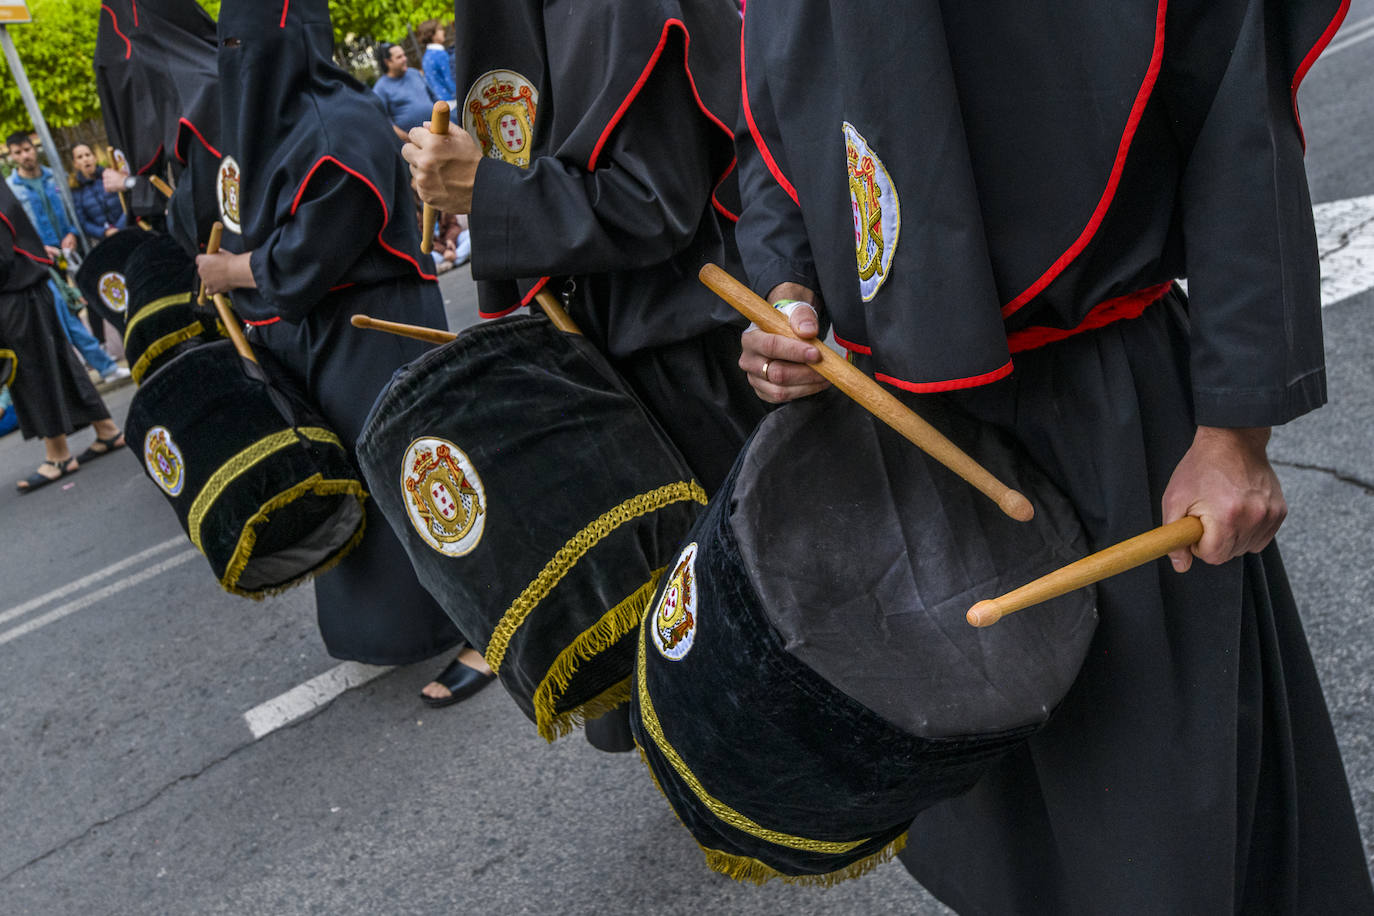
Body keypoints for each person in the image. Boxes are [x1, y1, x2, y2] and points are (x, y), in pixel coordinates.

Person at [734, 1, 1374, 911]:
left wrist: (1235, 431)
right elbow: (783, 127)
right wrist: (784, 290)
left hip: (1109, 407)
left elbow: (1237, 103)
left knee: (1167, 832)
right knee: (1005, 841)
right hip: (905, 434)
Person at [403, 0, 768, 748]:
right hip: (596, 360)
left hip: (686, 358)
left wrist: (490, 194)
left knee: (745, 645)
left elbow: (654, 202)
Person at [195, 0, 492, 707]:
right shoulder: (267, 131)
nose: (237, 60)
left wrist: (235, 274)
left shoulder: (339, 123)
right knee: (360, 477)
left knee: (416, 473)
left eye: (249, 44)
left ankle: (491, 624)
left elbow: (312, 246)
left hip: (372, 325)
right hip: (315, 333)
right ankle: (409, 624)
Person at [1, 182, 125, 492]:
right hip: (26, 286)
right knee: (59, 360)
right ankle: (107, 429)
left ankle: (58, 454)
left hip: (16, 291)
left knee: (31, 370)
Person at [5, 132, 128, 384]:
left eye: (26, 149)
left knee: (88, 299)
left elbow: (72, 212)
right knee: (66, 314)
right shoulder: (12, 188)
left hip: (69, 252)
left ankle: (98, 363)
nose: (24, 156)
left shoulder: (54, 178)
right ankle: (102, 367)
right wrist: (39, 249)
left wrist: (71, 233)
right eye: (17, 153)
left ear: (34, 149)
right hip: (40, 261)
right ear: (11, 157)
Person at [372, 43, 437, 142]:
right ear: (387, 62)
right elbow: (384, 121)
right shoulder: (380, 88)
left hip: (438, 131)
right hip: (415, 144)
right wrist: (409, 139)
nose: (405, 59)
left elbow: (434, 97)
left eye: (404, 55)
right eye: (399, 57)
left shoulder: (415, 73)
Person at [70, 144, 128, 241]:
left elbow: (126, 201)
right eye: (80, 157)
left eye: (88, 155)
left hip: (126, 229)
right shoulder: (77, 190)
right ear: (75, 164)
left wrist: (119, 228)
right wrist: (104, 232)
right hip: (105, 239)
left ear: (95, 158)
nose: (85, 159)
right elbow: (83, 221)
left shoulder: (110, 176)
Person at [417, 20, 456, 104]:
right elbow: (450, 79)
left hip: (440, 102)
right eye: (440, 29)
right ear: (432, 34)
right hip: (452, 100)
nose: (443, 32)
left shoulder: (426, 57)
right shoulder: (440, 55)